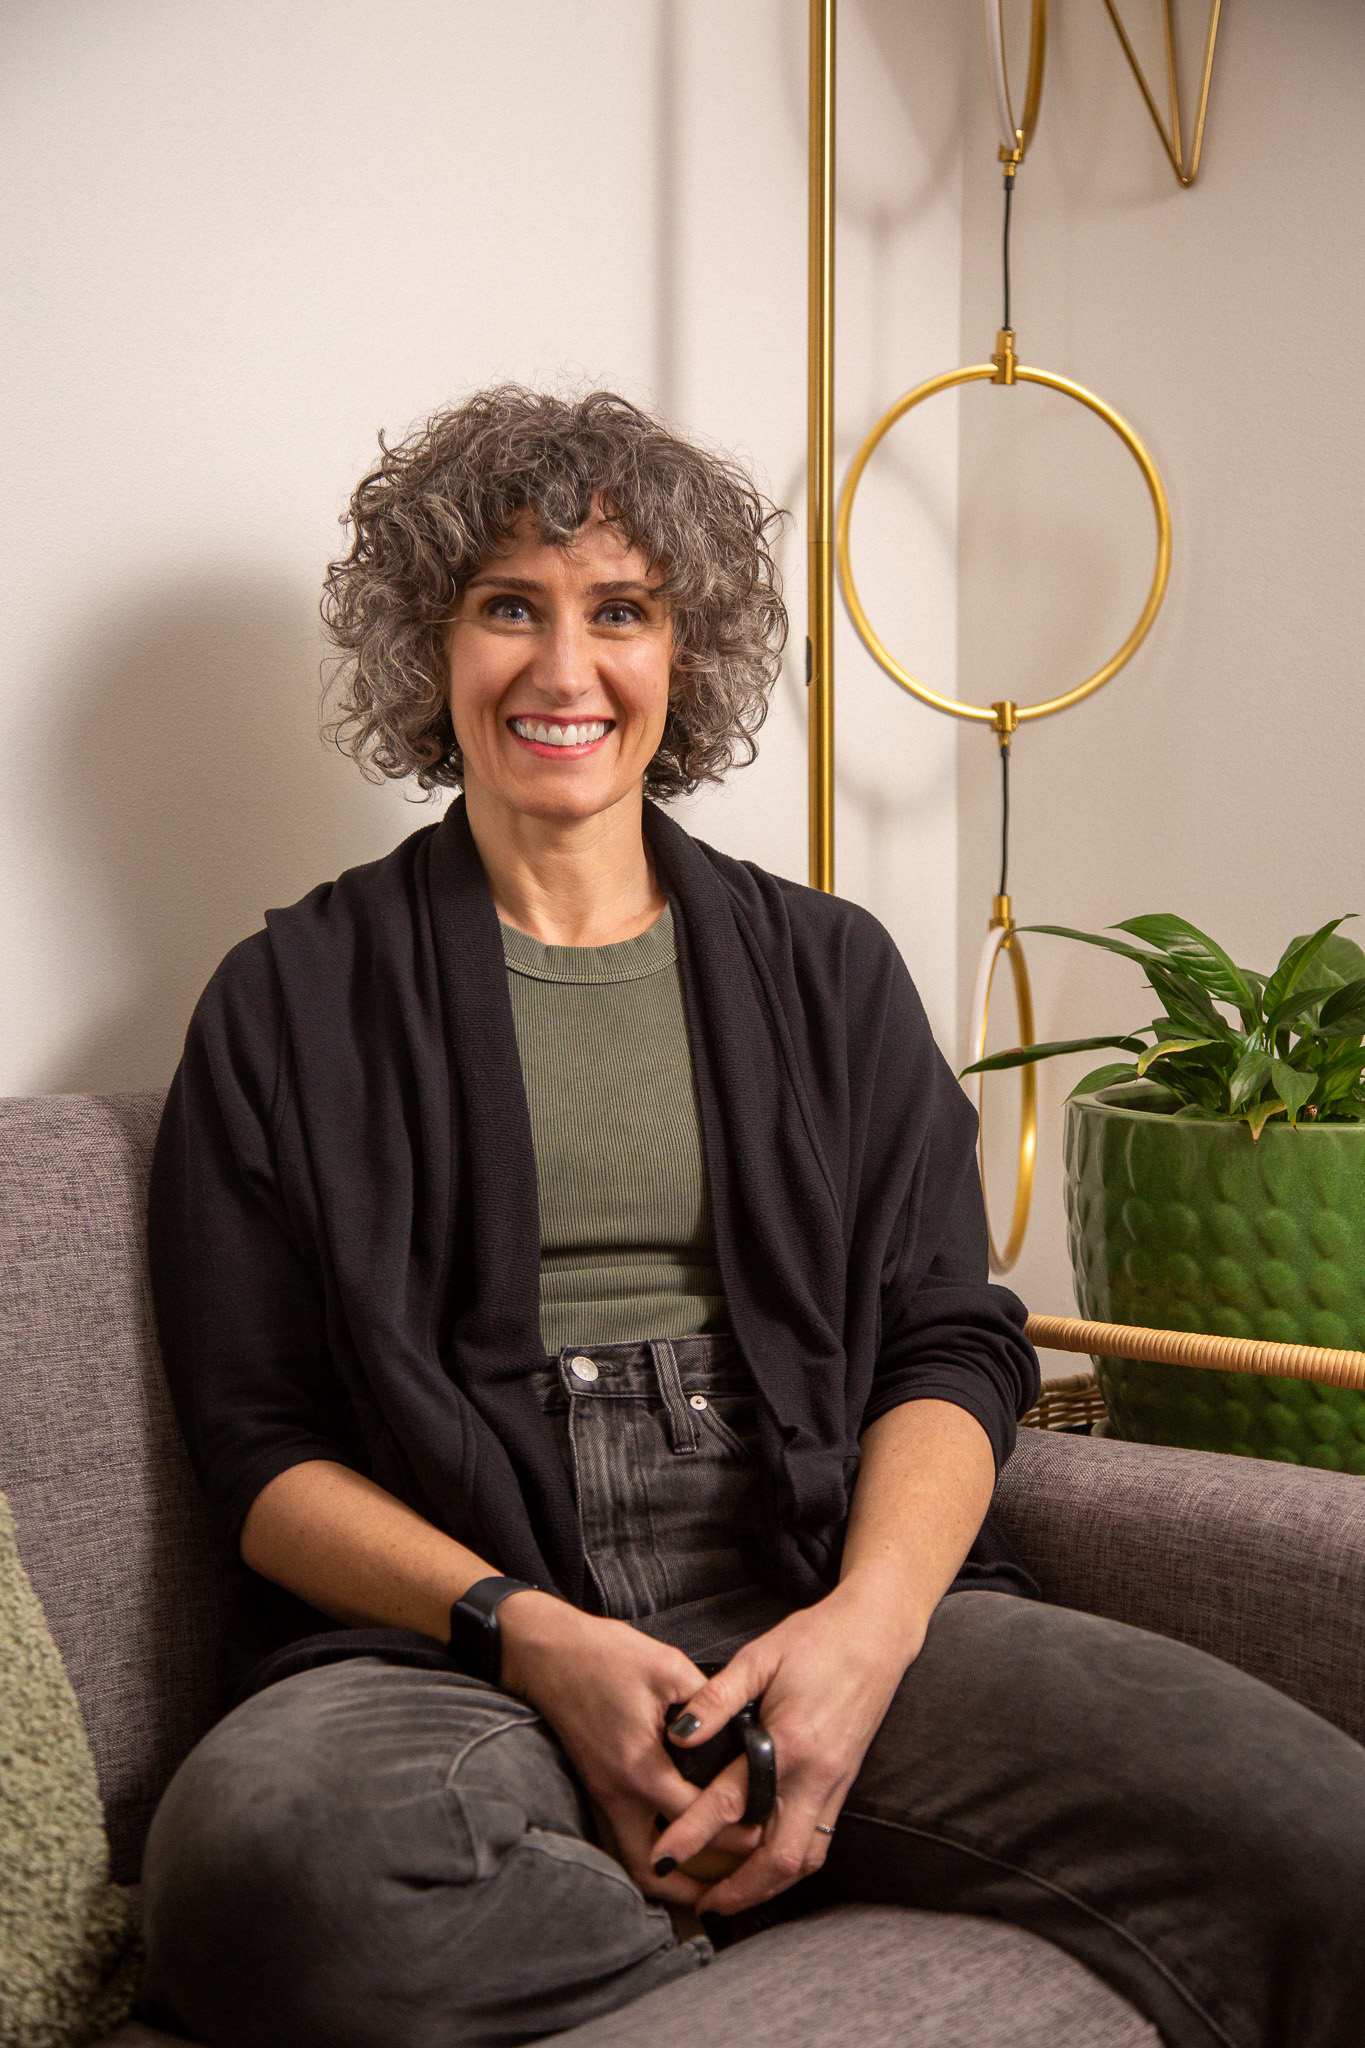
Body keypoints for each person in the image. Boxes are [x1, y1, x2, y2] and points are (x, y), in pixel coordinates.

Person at [140, 388, 1365, 2048]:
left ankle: (744, 1829)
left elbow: (948, 1340)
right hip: (451, 1640)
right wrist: (531, 1637)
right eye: (507, 605)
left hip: (816, 1572)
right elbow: (260, 1449)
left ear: (686, 654)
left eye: (619, 612)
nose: (563, 669)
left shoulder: (828, 970)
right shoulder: (283, 1000)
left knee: (1319, 1834)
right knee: (266, 1881)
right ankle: (703, 1929)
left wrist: (869, 1631)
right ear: (428, 643)